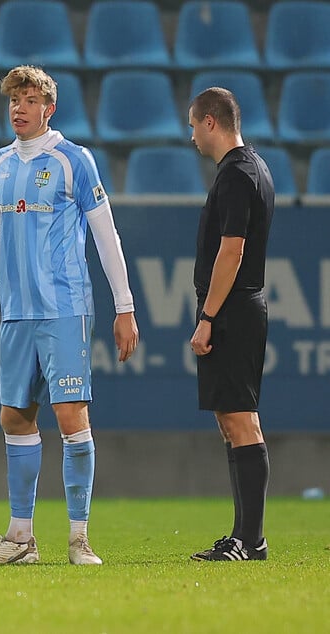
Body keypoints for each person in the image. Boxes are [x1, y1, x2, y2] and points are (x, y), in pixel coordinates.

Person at [0, 65, 139, 566]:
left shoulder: (73, 160)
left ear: (49, 109)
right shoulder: (0, 162)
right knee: (14, 416)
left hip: (64, 307)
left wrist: (124, 306)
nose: (19, 108)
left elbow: (106, 234)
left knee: (70, 414)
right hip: (16, 312)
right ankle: (21, 539)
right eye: (14, 100)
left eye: (30, 100)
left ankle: (79, 539)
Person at [187, 87, 274, 562]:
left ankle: (251, 540)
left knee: (240, 419)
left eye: (193, 125)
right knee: (232, 419)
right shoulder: (253, 166)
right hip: (237, 307)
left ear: (211, 122)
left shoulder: (237, 174)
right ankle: (243, 536)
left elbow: (232, 250)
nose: (192, 136)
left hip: (233, 310)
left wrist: (208, 317)